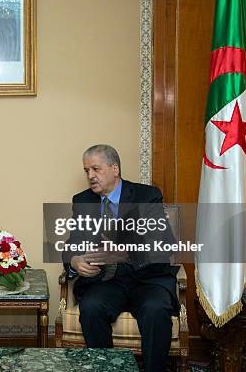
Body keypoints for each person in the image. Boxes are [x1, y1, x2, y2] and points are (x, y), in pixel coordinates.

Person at [64, 144, 179, 372]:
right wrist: (75, 261)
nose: (90, 176)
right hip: (107, 282)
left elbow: (164, 243)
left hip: (147, 280)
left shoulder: (147, 196)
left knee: (155, 310)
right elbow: (73, 241)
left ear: (115, 169)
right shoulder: (83, 200)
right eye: (87, 171)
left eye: (95, 169)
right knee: (91, 307)